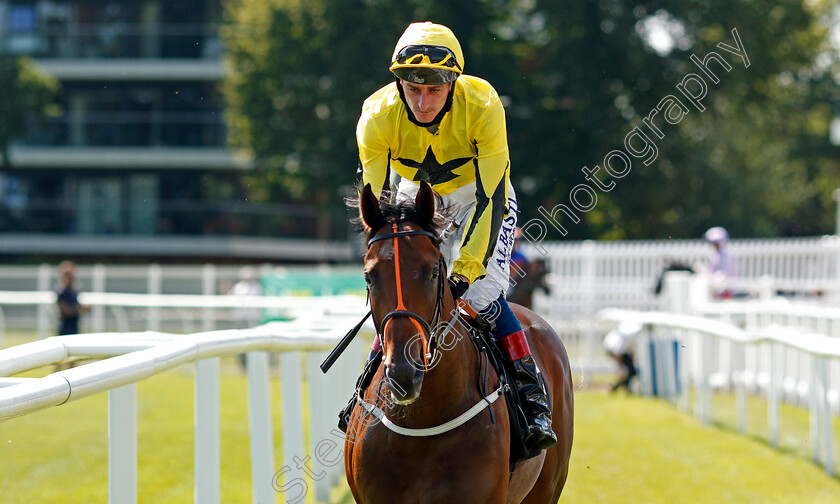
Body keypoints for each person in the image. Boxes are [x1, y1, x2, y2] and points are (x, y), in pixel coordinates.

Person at [347, 22, 555, 450]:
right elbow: (379, 204)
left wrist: (463, 274)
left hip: (478, 195)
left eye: (434, 91)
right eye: (412, 89)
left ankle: (531, 395)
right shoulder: (375, 117)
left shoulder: (483, 105)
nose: (422, 102)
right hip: (411, 195)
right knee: (403, 290)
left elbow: (490, 197)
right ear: (398, 83)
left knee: (479, 295)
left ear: (453, 84)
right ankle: (366, 389)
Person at [603, 321, 642, 393]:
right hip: (617, 352)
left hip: (620, 353)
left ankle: (620, 387)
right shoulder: (623, 337)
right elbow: (616, 352)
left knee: (629, 372)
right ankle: (616, 387)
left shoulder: (626, 334)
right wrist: (620, 366)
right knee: (626, 373)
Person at [703, 226, 739, 298]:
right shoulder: (713, 255)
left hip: (726, 287)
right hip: (714, 287)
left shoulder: (727, 255)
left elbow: (728, 273)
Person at [55, 260, 86, 336]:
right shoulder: (61, 290)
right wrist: (80, 309)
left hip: (74, 327)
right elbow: (65, 311)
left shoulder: (74, 289)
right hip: (64, 329)